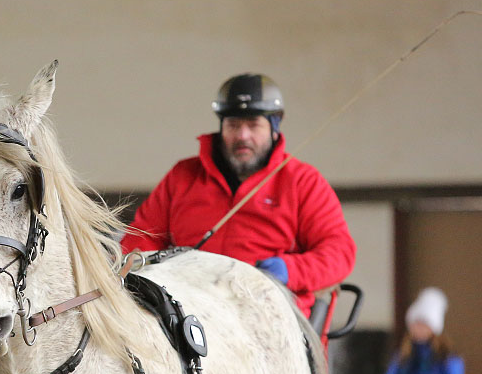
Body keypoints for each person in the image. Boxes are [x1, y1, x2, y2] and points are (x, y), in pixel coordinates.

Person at [121, 73, 356, 318]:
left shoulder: (303, 181)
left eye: (254, 124)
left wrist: (290, 270)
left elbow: (339, 251)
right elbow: (142, 236)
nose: (243, 135)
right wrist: (152, 268)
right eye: (233, 125)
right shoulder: (183, 175)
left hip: (270, 312)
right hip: (189, 307)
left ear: (274, 127)